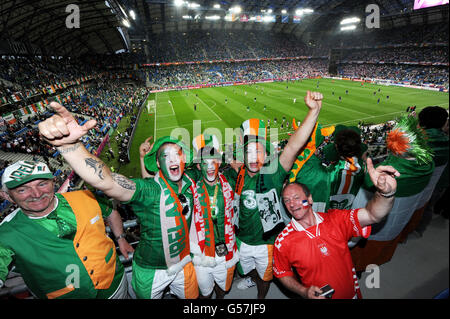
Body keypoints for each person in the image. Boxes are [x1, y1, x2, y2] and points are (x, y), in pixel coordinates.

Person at [38, 102, 199, 299]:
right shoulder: (149, 190)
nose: (174, 159)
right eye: (167, 156)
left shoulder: (192, 182)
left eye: (179, 154)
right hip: (151, 271)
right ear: (158, 163)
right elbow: (109, 182)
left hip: (184, 264)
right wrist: (70, 147)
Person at [231, 91, 323, 299]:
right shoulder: (237, 174)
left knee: (266, 278)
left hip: (266, 243)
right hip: (242, 240)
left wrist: (314, 111)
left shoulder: (273, 173)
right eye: (249, 152)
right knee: (249, 271)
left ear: (267, 154)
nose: (254, 157)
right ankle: (249, 278)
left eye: (259, 151)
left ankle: (261, 298)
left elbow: (293, 146)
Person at [0, 160, 133, 299]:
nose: (36, 194)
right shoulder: (5, 233)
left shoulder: (86, 197)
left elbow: (111, 212)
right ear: (8, 196)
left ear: (54, 182)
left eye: (42, 184)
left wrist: (121, 238)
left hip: (115, 284)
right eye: (22, 189)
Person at [273, 158, 400, 299]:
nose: (292, 204)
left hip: (351, 294)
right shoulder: (283, 241)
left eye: (297, 198)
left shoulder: (336, 219)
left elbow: (372, 214)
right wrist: (303, 291)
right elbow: (282, 272)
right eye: (287, 200)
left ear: (309, 199)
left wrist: (386, 194)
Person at [190, 134, 239, 299]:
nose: (210, 167)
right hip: (202, 253)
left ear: (219, 163)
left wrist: (230, 158)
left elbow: (249, 171)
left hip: (226, 250)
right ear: (198, 167)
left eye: (213, 162)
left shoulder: (230, 182)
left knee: (222, 289)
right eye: (204, 163)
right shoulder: (190, 189)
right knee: (204, 293)